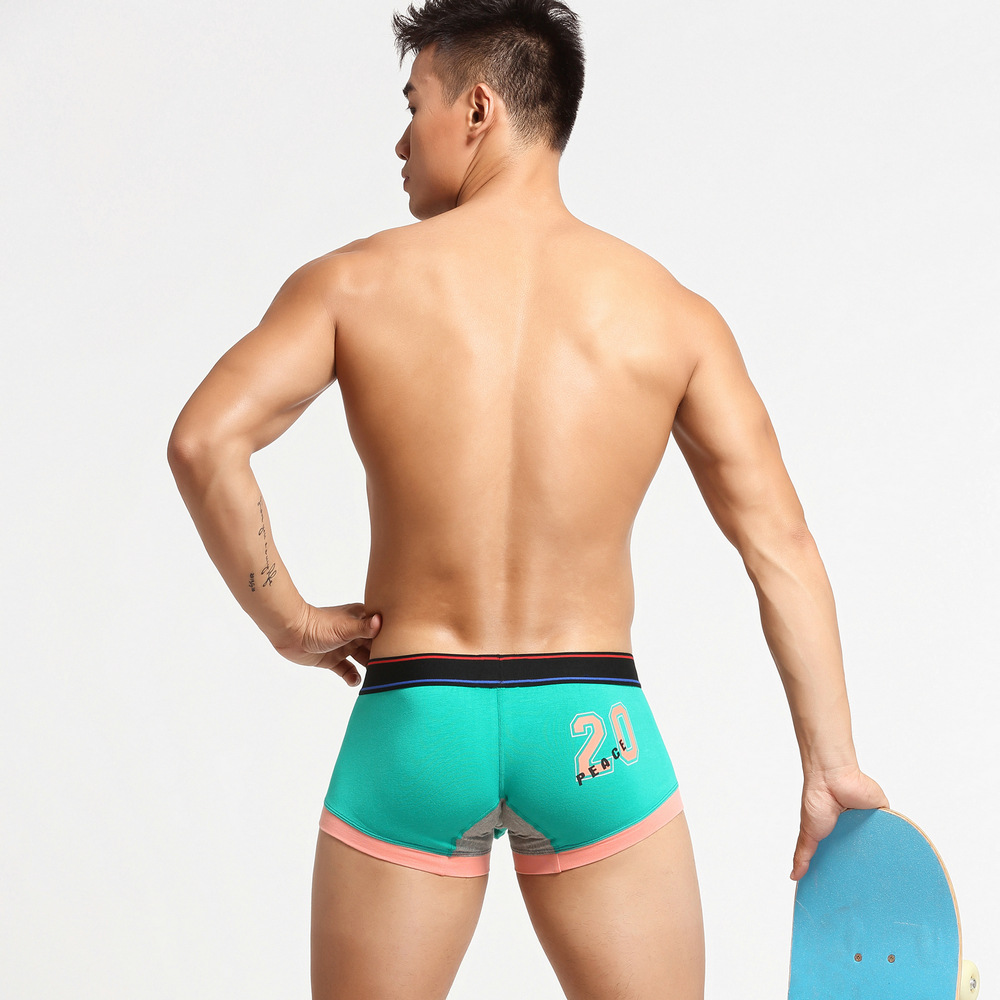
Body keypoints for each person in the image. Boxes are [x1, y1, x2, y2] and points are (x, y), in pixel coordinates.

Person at [167, 1, 889, 997]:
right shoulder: (671, 314)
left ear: (477, 109)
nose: (399, 141)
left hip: (417, 719)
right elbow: (780, 545)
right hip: (592, 726)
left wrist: (288, 621)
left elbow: (204, 441)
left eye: (412, 105)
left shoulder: (351, 284)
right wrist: (829, 765)